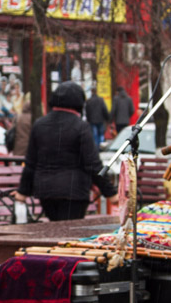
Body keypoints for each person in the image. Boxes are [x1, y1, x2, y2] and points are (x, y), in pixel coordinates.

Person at [14, 81, 117, 221]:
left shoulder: (39, 125)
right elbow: (93, 164)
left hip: (46, 192)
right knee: (70, 233)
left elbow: (31, 162)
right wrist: (110, 193)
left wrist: (23, 192)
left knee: (56, 229)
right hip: (75, 193)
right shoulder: (81, 127)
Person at [11, 92, 33, 158]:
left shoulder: (18, 117)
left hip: (18, 150)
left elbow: (12, 132)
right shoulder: (33, 118)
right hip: (30, 150)